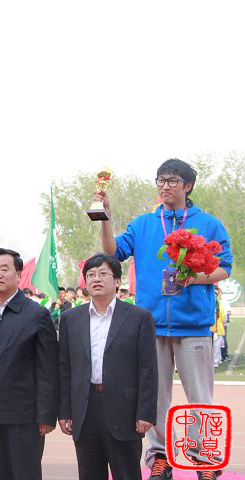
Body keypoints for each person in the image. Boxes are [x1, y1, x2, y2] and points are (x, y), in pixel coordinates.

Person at [97, 158, 232, 479]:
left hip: (194, 325)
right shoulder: (143, 224)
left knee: (200, 397)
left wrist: (194, 279)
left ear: (188, 186)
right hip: (150, 325)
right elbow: (112, 252)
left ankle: (205, 458)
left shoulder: (208, 224)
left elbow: (224, 267)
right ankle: (160, 457)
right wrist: (105, 217)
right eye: (161, 180)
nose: (165, 186)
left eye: (172, 181)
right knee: (155, 397)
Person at [58, 253, 158, 480]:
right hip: (85, 407)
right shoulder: (71, 318)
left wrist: (145, 412)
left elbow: (148, 369)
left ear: (117, 281)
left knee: (126, 473)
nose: (96, 279)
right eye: (91, 275)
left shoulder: (139, 318)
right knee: (89, 473)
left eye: (103, 274)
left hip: (124, 409)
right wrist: (64, 411)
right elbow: (65, 368)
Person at [0, 248, 59, 479]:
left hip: (25, 416)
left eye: (4, 269)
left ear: (18, 275)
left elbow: (49, 369)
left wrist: (46, 414)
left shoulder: (37, 315)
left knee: (25, 474)